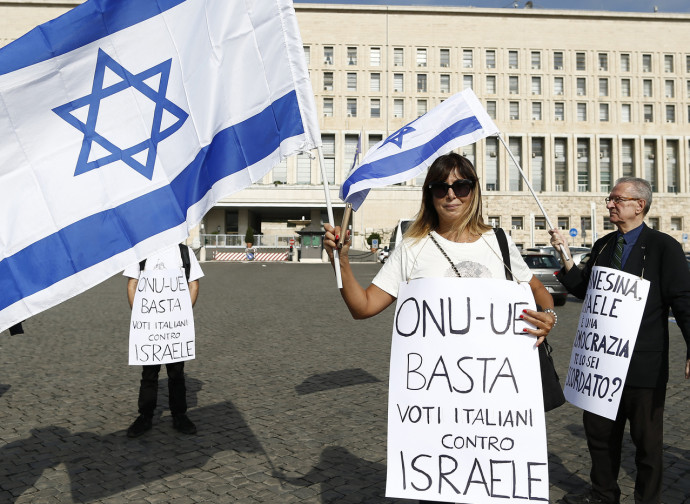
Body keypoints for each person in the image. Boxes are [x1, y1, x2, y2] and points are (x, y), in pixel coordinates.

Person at [324, 152, 557, 504]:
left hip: (497, 404)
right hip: (440, 408)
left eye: (460, 186)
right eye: (440, 187)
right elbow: (364, 306)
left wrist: (548, 319)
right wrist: (340, 261)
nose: (451, 195)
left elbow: (541, 295)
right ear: (429, 194)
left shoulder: (501, 243)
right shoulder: (413, 247)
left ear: (474, 191)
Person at [549, 177, 690, 504]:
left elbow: (683, 300)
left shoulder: (663, 247)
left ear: (639, 205)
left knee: (646, 443)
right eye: (610, 199)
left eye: (616, 199)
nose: (609, 204)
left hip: (643, 365)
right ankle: (603, 495)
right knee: (599, 437)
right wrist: (565, 254)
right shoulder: (603, 245)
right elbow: (583, 289)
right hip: (599, 365)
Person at [123, 243, 203, 438]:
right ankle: (145, 416)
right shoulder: (141, 252)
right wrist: (140, 315)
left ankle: (179, 415)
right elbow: (132, 284)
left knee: (176, 373)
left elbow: (194, 284)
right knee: (149, 373)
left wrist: (182, 312)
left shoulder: (184, 252)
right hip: (150, 325)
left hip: (174, 327)